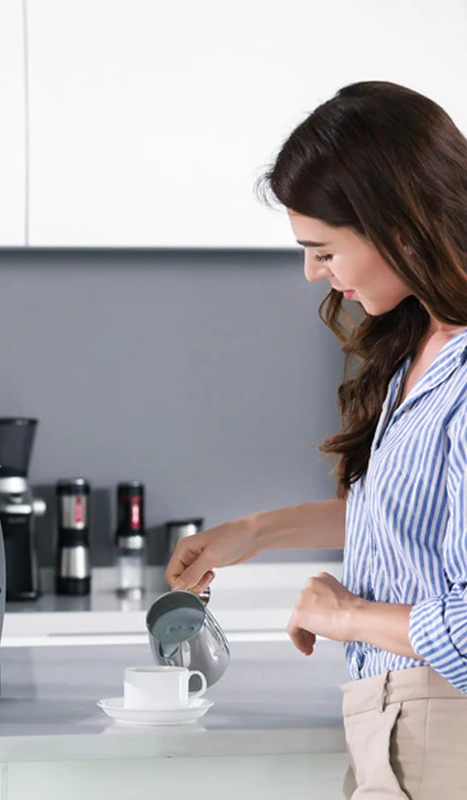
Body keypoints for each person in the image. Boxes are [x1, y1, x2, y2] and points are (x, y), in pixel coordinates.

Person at [165, 81, 467, 800]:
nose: (312, 272)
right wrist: (257, 532)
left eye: (324, 250)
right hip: (399, 720)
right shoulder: (424, 344)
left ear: (400, 228)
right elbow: (417, 524)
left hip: (443, 729)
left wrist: (345, 616)